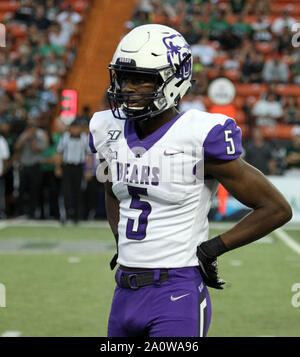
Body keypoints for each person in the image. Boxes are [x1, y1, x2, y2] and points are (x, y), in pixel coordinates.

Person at [89, 24, 292, 337]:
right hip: (124, 293)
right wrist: (124, 242)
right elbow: (112, 189)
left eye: (143, 79)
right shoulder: (106, 128)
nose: (128, 87)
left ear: (174, 79)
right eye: (124, 77)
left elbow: (275, 207)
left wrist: (211, 249)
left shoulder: (199, 135)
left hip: (175, 292)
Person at [55, 117, 91, 223]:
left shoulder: (85, 138)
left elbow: (88, 155)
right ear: (70, 128)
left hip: (79, 167)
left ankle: (77, 216)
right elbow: (59, 153)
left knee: (78, 192)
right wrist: (58, 167)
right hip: (67, 167)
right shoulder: (65, 137)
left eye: (77, 128)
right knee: (66, 192)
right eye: (73, 128)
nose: (75, 130)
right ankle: (64, 215)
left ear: (80, 129)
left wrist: (88, 170)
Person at [14, 118, 48, 218]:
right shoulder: (24, 134)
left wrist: (32, 138)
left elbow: (37, 149)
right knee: (21, 190)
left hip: (35, 167)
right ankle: (20, 212)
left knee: (34, 191)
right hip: (24, 166)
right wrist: (24, 138)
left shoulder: (40, 135)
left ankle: (32, 213)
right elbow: (16, 147)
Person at [0, 134, 10, 218]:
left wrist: (3, 171)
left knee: (0, 194)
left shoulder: (1, 141)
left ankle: (1, 212)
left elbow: (5, 158)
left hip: (0, 173)